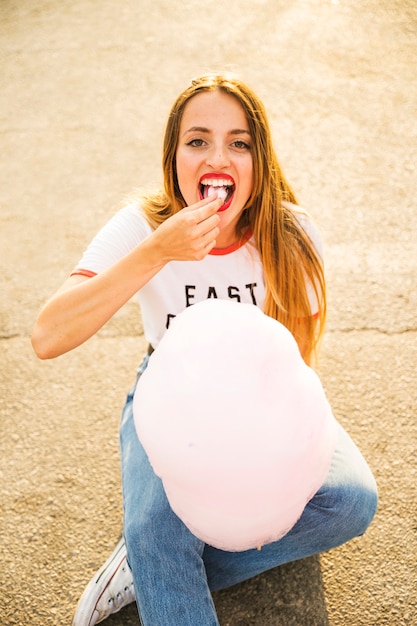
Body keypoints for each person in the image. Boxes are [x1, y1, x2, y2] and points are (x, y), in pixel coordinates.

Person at [31, 73, 378, 626]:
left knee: (351, 501)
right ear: (173, 158)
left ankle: (147, 570)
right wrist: (155, 253)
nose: (218, 156)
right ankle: (154, 557)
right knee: (156, 528)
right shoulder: (143, 225)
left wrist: (275, 448)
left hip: (264, 393)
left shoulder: (292, 234)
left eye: (239, 143)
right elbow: (48, 336)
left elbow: (300, 360)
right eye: (197, 141)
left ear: (259, 161)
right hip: (167, 393)